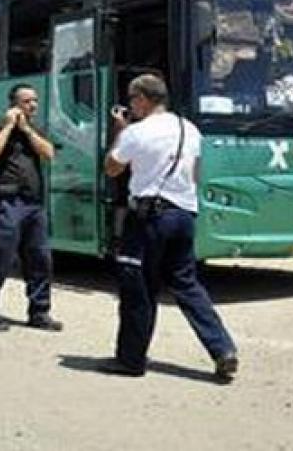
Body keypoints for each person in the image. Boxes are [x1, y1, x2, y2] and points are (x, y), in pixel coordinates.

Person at [99, 73, 239, 380]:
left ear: (143, 99)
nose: (130, 106)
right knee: (187, 284)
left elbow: (111, 168)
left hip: (149, 218)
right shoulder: (189, 128)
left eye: (132, 100)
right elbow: (197, 173)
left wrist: (120, 133)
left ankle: (131, 360)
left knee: (138, 288)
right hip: (184, 216)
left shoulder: (137, 131)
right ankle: (222, 348)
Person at [0, 84, 63, 332]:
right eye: (27, 101)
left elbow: (49, 153)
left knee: (41, 259)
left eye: (35, 101)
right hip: (7, 204)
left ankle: (39, 312)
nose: (33, 106)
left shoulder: (34, 129)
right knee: (0, 261)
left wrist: (27, 131)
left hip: (34, 205)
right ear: (14, 104)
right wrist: (9, 127)